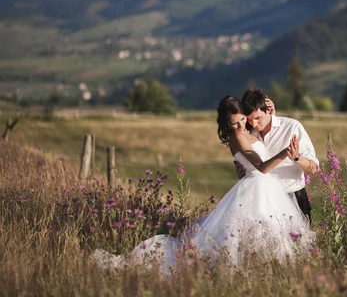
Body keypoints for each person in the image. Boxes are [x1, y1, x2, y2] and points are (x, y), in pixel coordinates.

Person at [92, 95, 314, 275]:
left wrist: (269, 113)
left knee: (271, 233)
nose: (240, 125)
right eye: (233, 123)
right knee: (247, 234)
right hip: (256, 186)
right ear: (226, 124)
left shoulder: (252, 130)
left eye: (242, 120)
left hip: (269, 190)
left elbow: (262, 122)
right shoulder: (238, 137)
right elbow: (261, 167)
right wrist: (286, 153)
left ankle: (271, 272)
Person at [235, 88, 319, 225]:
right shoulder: (249, 135)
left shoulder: (291, 127)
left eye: (257, 118)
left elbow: (314, 169)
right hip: (260, 203)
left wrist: (296, 158)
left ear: (268, 109)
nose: (254, 124)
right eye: (250, 120)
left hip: (293, 197)